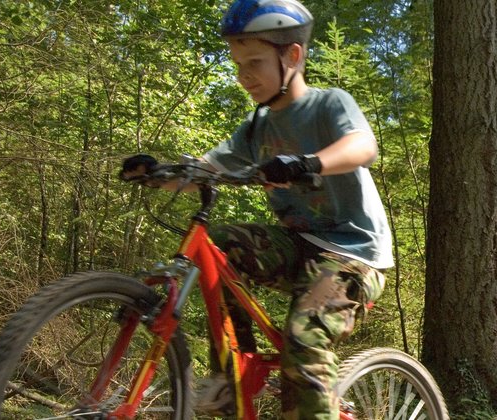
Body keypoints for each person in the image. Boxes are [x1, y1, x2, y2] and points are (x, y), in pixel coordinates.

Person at [121, 0, 391, 418]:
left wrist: (308, 163)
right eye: (237, 64)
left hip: (353, 254)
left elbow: (363, 147)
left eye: (255, 62)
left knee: (303, 339)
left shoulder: (328, 104)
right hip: (298, 245)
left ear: (293, 56)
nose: (243, 75)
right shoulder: (257, 127)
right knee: (219, 246)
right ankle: (233, 374)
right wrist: (158, 173)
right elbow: (207, 168)